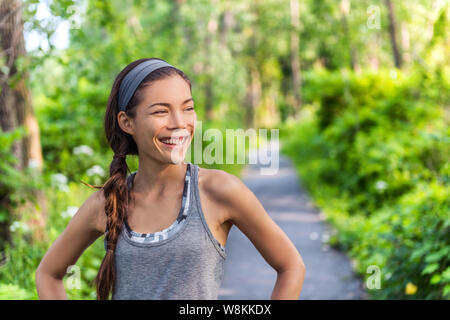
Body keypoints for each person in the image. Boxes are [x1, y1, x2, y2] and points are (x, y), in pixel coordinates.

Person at [35, 58, 306, 300]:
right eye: (161, 111)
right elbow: (48, 274)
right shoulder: (108, 203)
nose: (179, 122)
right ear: (127, 122)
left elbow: (291, 266)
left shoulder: (218, 191)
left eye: (188, 108)